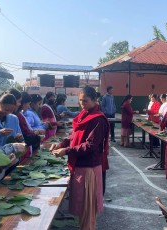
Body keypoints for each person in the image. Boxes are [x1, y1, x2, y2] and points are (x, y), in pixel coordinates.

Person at [50, 86, 109, 230]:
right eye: (80, 101)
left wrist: (66, 151)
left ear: (95, 100)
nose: (82, 104)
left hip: (89, 168)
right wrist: (60, 144)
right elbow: (73, 136)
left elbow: (90, 146)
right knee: (83, 208)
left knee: (88, 212)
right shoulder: (84, 114)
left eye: (85, 101)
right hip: (80, 166)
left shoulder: (98, 120)